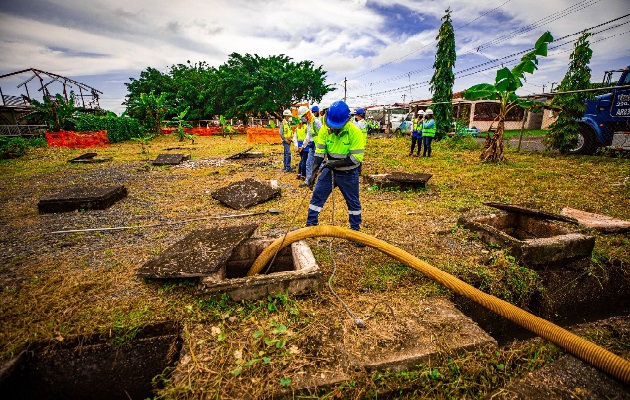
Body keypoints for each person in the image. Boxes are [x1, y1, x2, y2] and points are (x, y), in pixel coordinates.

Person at [306, 100, 365, 246]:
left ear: (347, 121)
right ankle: (310, 225)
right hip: (330, 171)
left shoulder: (355, 132)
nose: (333, 129)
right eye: (331, 126)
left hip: (349, 173)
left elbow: (355, 158)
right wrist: (313, 173)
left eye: (336, 127)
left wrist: (332, 164)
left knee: (353, 202)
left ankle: (355, 232)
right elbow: (319, 153)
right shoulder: (324, 130)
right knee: (317, 197)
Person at [303, 105, 323, 186]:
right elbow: (308, 136)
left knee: (320, 164)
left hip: (318, 146)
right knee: (308, 163)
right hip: (311, 146)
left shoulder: (316, 122)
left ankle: (323, 182)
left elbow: (323, 134)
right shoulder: (309, 123)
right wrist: (303, 146)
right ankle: (308, 181)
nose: (303, 118)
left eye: (303, 116)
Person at [293, 106, 310, 180]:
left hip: (299, 144)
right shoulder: (306, 127)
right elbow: (307, 137)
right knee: (304, 161)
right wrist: (303, 146)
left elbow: (294, 137)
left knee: (302, 160)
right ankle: (303, 175)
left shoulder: (297, 128)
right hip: (305, 145)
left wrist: (297, 146)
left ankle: (299, 174)